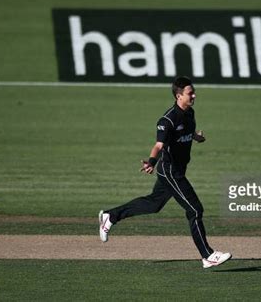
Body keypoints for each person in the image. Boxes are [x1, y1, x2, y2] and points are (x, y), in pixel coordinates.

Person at [99, 76, 231, 269]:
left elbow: (186, 132)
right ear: (178, 96)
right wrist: (151, 161)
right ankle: (208, 255)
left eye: (193, 92)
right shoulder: (167, 120)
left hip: (178, 169)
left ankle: (110, 216)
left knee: (154, 204)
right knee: (194, 210)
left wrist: (196, 138)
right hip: (170, 171)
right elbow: (158, 145)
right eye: (190, 93)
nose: (194, 95)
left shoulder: (190, 113)